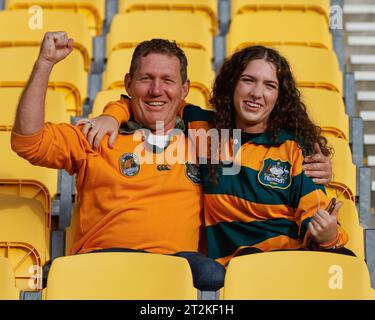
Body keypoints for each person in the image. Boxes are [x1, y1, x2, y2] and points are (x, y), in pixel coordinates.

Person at [80, 44, 346, 267]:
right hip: (230, 274)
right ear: (232, 86)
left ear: (280, 96)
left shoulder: (297, 149)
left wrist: (329, 235)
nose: (256, 93)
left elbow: (317, 222)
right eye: (248, 80)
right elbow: (153, 99)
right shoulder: (204, 130)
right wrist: (113, 114)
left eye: (269, 85)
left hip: (286, 265)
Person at [10, 32, 225, 291]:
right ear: (128, 83)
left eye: (167, 80)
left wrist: (118, 109)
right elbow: (28, 142)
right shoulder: (96, 134)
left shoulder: (202, 137)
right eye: (146, 79)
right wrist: (44, 63)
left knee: (215, 273)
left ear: (185, 89)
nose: (157, 90)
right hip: (103, 265)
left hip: (175, 271)